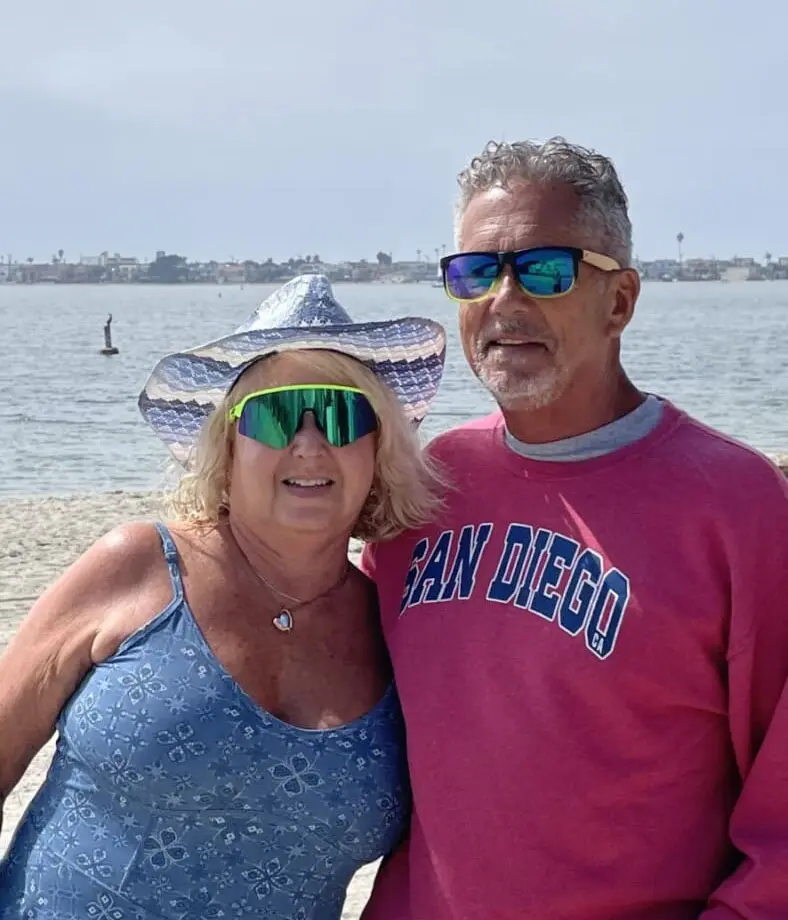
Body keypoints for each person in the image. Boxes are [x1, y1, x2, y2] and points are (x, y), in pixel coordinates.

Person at [361, 139, 788, 919]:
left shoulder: (738, 506)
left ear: (620, 300)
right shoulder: (422, 490)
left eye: (546, 269)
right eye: (477, 272)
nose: (504, 300)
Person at [0, 274, 447, 920]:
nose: (310, 443)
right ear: (228, 443)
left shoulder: (394, 629)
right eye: (275, 415)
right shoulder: (138, 568)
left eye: (341, 415)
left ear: (378, 448)